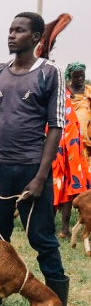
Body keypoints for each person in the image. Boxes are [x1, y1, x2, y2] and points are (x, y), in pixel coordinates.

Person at [0, 11, 68, 306]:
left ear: (37, 38)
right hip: (1, 167)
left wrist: (41, 177)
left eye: (20, 31)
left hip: (33, 168)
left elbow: (56, 126)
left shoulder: (49, 73)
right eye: (10, 29)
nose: (12, 35)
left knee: (41, 238)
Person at [52, 88, 91, 238]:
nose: (80, 78)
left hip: (75, 149)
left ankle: (65, 228)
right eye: (76, 75)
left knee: (69, 187)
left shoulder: (85, 99)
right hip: (58, 145)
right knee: (56, 186)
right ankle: (54, 227)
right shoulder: (57, 95)